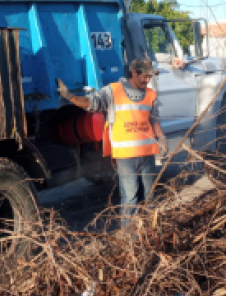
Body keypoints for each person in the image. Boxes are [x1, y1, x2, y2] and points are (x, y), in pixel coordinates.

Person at [55, 58, 167, 223]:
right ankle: (130, 238)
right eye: (145, 76)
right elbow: (91, 103)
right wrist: (70, 96)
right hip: (126, 157)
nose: (148, 80)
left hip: (148, 154)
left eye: (150, 77)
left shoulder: (150, 94)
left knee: (150, 198)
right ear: (134, 73)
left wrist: (161, 137)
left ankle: (149, 235)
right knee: (130, 199)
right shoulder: (113, 91)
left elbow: (154, 118)